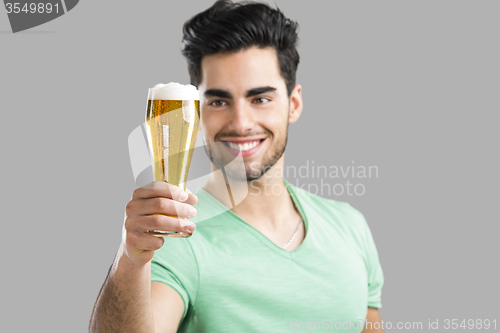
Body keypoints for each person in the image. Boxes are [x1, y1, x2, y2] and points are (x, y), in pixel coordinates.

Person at [89, 1, 385, 332]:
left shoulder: (350, 227)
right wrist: (132, 258)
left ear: (294, 104)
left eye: (260, 99)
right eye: (218, 101)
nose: (241, 123)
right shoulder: (173, 235)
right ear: (196, 112)